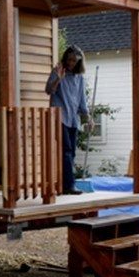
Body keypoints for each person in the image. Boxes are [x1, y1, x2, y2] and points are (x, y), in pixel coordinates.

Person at [45, 45, 94, 195]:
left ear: (79, 62)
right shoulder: (58, 71)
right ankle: (69, 185)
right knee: (66, 151)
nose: (71, 63)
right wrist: (58, 79)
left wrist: (88, 117)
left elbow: (81, 100)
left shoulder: (79, 78)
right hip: (59, 116)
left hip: (73, 118)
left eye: (75, 61)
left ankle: (64, 183)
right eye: (70, 59)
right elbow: (49, 90)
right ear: (66, 58)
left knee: (71, 152)